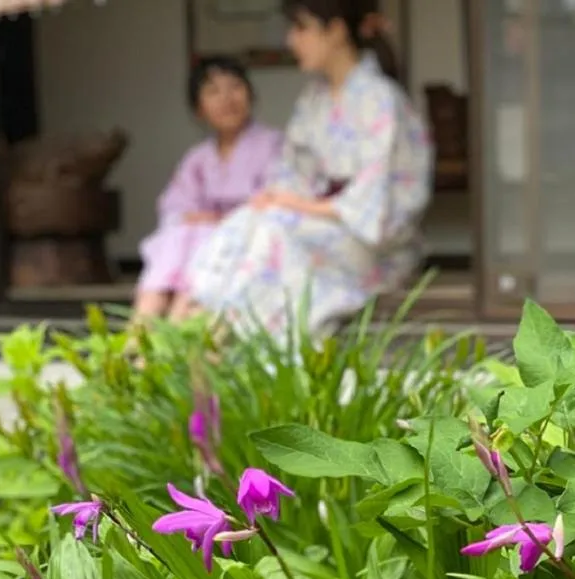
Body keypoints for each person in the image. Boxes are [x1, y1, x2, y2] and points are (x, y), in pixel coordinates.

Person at [185, 0, 433, 345]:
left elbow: (375, 202)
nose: (291, 40)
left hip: (373, 242)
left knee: (275, 231)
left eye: (301, 28)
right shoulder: (314, 98)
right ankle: (202, 319)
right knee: (246, 221)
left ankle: (231, 339)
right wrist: (277, 199)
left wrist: (292, 205)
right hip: (326, 219)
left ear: (335, 31)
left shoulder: (380, 99)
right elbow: (292, 175)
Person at [134, 57, 282, 322]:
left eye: (235, 87)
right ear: (199, 109)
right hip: (200, 244)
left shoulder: (272, 145)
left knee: (198, 241)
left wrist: (221, 221)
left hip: (248, 238)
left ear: (250, 94)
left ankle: (174, 327)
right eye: (213, 91)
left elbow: (275, 199)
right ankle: (142, 326)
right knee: (180, 235)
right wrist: (201, 222)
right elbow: (176, 207)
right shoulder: (198, 157)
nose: (227, 99)